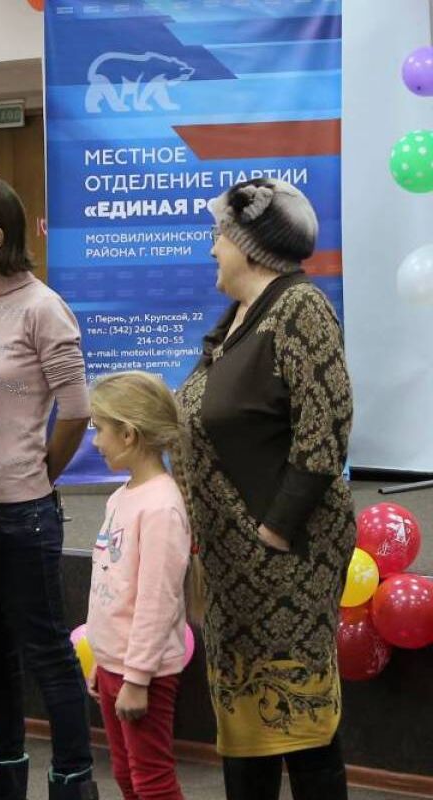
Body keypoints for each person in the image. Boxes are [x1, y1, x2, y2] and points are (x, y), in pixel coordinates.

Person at [176, 178, 355, 800]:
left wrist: (273, 531)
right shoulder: (239, 318)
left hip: (284, 562)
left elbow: (325, 432)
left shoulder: (301, 308)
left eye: (219, 236)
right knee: (246, 724)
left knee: (299, 724)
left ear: (249, 246)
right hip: (232, 570)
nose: (211, 249)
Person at [0, 175, 97, 800]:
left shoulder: (44, 308)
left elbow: (77, 411)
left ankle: (73, 781)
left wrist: (39, 477)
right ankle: (6, 777)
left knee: (47, 655)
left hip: (25, 512)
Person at [85, 372, 191, 800]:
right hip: (116, 666)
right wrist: (104, 661)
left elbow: (157, 601)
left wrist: (137, 678)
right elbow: (113, 582)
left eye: (100, 429)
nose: (95, 441)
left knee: (152, 782)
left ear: (128, 434)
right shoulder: (122, 496)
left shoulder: (162, 507)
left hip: (142, 673)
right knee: (128, 777)